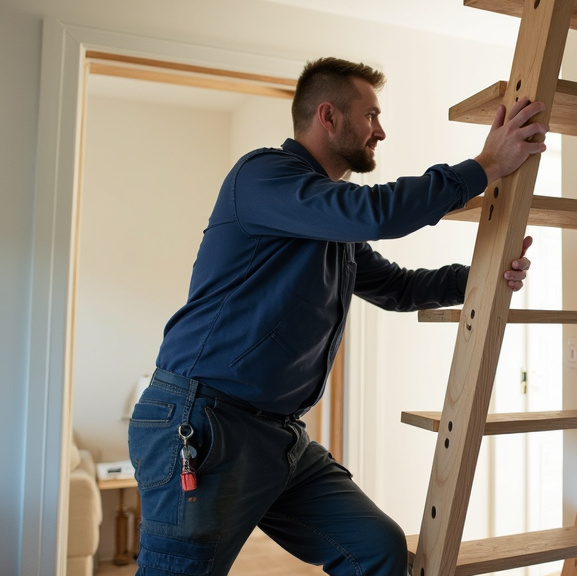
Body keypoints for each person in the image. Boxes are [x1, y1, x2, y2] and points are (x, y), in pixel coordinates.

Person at [128, 57, 548, 576]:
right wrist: (485, 165)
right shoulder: (262, 177)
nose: (381, 131)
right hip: (205, 422)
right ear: (328, 116)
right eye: (370, 115)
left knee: (375, 548)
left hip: (277, 435)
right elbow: (378, 213)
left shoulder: (326, 222)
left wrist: (479, 277)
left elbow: (396, 286)